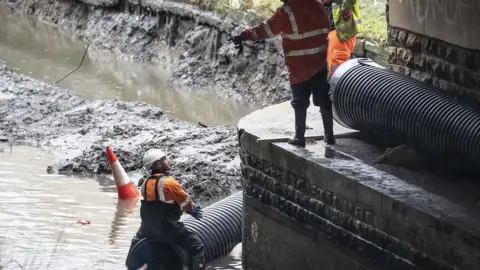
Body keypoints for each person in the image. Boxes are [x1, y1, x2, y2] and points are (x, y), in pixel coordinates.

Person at [230, 0, 336, 146]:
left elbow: (267, 29)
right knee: (324, 100)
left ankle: (299, 138)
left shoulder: (287, 11)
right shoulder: (317, 5)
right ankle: (330, 137)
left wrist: (244, 35)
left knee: (300, 103)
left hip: (299, 67)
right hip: (319, 64)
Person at [135, 148, 206, 270]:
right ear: (158, 164)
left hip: (148, 229)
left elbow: (156, 207)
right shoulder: (169, 183)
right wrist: (191, 209)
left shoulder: (145, 184)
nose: (168, 160)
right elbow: (186, 202)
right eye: (165, 159)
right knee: (197, 247)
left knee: (137, 242)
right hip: (168, 229)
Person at [322, 0, 362, 76]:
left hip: (340, 31)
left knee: (338, 68)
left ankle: (341, 86)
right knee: (334, 66)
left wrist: (346, 9)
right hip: (334, 30)